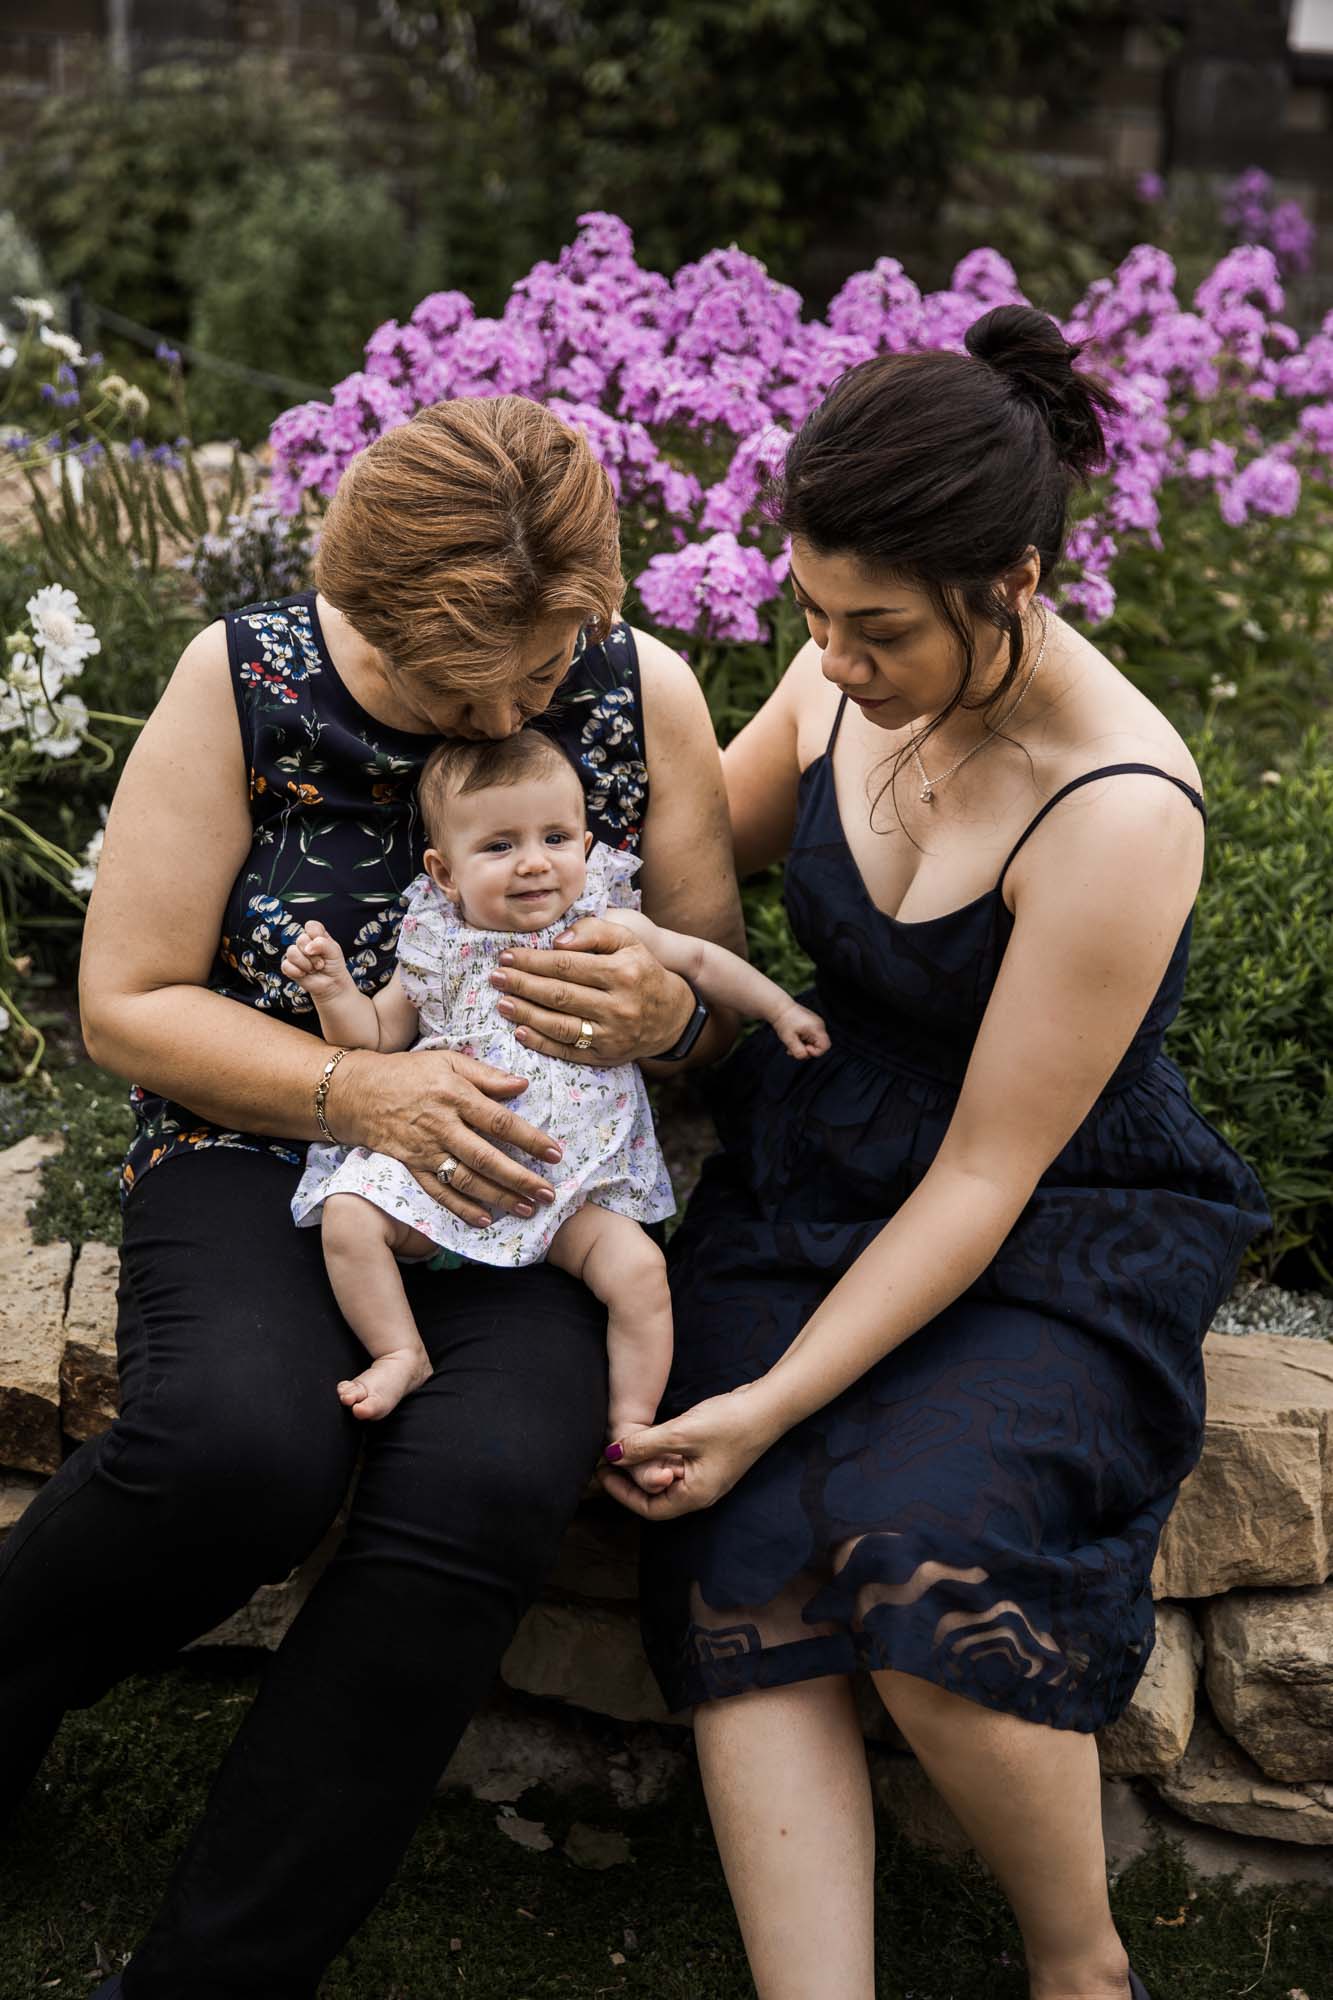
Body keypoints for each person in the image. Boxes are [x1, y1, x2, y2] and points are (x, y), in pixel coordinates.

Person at [0, 394, 746, 1999]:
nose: (513, 707)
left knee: (485, 1487)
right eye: (462, 688)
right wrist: (366, 1093)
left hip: (539, 1197)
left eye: (542, 671)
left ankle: (210, 1981)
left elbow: (710, 1005)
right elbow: (126, 1002)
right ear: (374, 614)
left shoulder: (644, 696)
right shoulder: (243, 680)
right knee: (238, 1450)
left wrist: (669, 1019)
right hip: (264, 1150)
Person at [603, 307, 1269, 2000]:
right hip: (815, 1170)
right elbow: (690, 856)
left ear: (1013, 582)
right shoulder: (839, 677)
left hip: (1043, 1214)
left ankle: (1080, 1971)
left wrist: (768, 1400)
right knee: (741, 1550)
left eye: (877, 629)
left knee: (922, 1551)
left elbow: (983, 1176)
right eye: (811, 613)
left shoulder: (1117, 805)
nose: (832, 661)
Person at [281, 727, 827, 1445]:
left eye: (556, 838)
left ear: (586, 845)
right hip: (444, 1170)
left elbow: (699, 961)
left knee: (640, 1272)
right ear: (445, 873)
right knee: (350, 1217)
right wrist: (332, 990)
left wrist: (780, 1008)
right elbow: (374, 1037)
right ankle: (399, 1352)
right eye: (499, 846)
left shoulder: (605, 923)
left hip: (572, 1186)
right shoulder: (435, 944)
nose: (534, 862)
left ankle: (630, 1422)